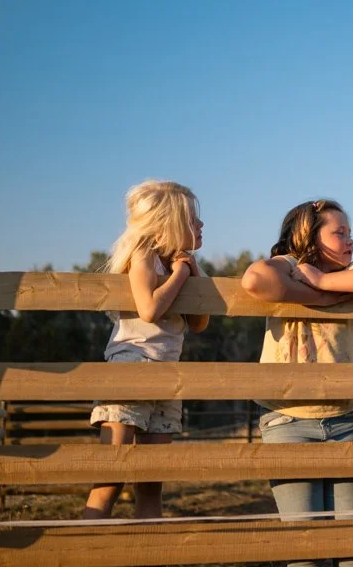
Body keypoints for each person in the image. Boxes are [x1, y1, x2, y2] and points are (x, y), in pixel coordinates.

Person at [241, 198, 353, 567]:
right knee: (306, 552)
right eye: (339, 233)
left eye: (350, 233)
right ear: (308, 237)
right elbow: (254, 280)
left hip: (345, 421)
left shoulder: (351, 272)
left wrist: (327, 281)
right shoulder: (286, 266)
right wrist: (323, 298)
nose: (350, 241)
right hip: (287, 421)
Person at [83, 179, 210, 519]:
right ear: (168, 223)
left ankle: (146, 551)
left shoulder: (180, 266)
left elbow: (199, 323)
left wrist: (192, 273)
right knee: (111, 477)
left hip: (168, 376)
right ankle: (83, 549)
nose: (201, 225)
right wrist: (181, 275)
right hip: (131, 370)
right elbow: (149, 310)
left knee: (152, 482)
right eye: (192, 219)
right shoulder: (144, 257)